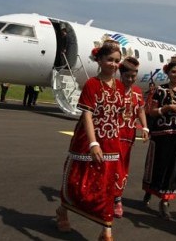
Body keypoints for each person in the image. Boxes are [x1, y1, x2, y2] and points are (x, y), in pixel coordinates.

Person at [56, 40, 124, 241]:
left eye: (116, 61)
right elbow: (87, 115)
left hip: (111, 142)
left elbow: (116, 115)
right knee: (77, 181)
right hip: (87, 140)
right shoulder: (92, 84)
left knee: (107, 187)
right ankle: (63, 209)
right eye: (109, 60)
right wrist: (94, 143)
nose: (113, 64)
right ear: (100, 60)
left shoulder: (120, 87)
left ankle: (106, 231)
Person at [142, 55, 176, 220]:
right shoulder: (160, 90)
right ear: (168, 72)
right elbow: (151, 112)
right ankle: (150, 191)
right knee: (156, 165)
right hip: (160, 134)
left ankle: (165, 202)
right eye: (174, 72)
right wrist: (167, 108)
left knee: (173, 169)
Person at [114, 56, 149, 218]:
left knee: (122, 167)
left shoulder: (137, 92)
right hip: (111, 135)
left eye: (133, 77)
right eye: (127, 76)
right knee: (110, 166)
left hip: (128, 136)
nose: (129, 79)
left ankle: (117, 198)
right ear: (120, 75)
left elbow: (140, 110)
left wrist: (145, 127)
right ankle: (106, 196)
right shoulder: (113, 88)